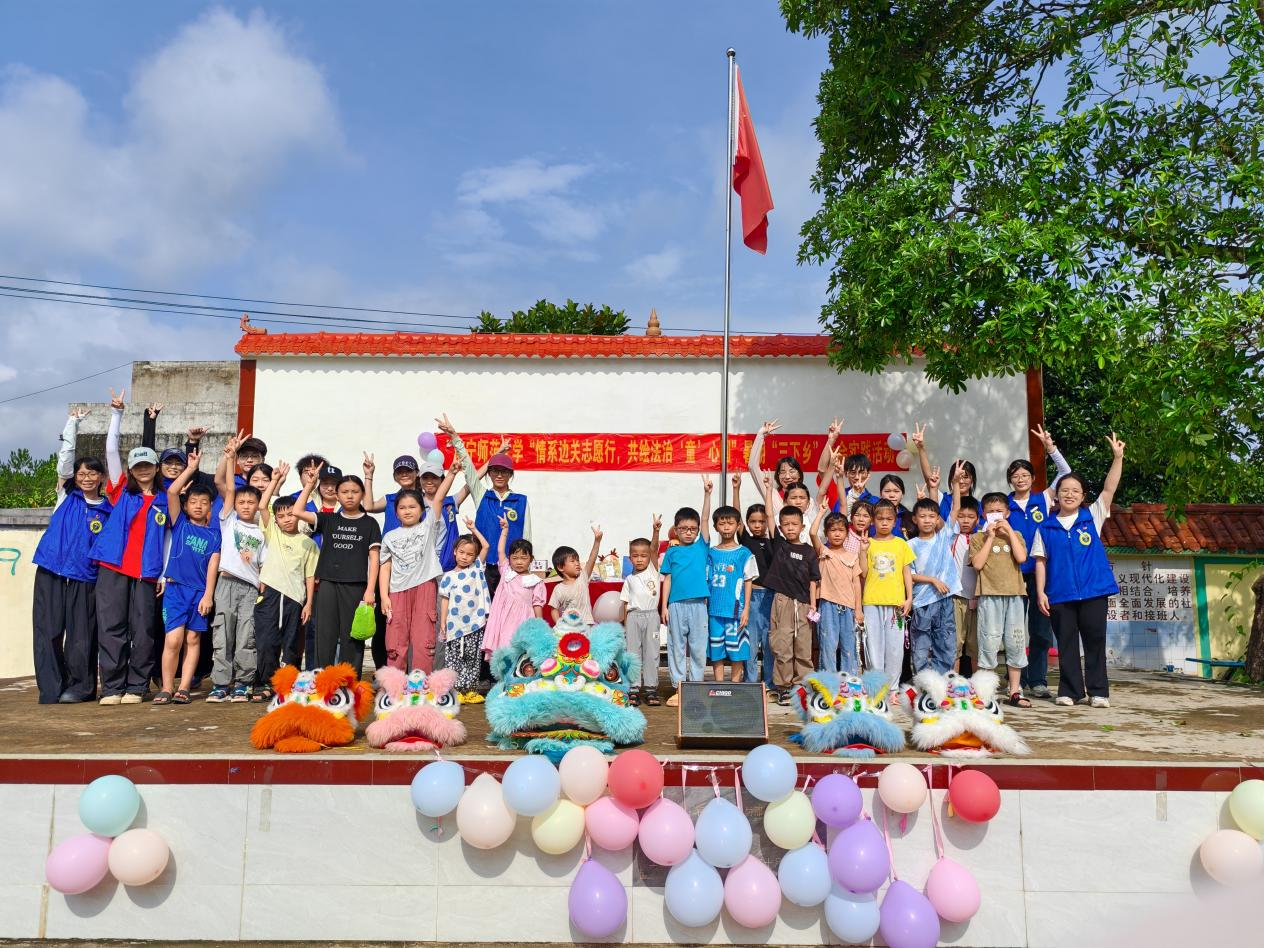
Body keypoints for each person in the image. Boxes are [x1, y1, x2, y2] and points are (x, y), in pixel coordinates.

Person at [1035, 435, 1126, 709]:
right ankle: (1070, 691)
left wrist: (1118, 458)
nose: (1070, 494)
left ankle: (1098, 692)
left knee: (1095, 641)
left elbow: (1109, 489)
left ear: (1083, 496)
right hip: (1060, 593)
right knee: (1066, 643)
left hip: (1094, 591)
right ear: (1057, 494)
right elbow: (1040, 561)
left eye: (1075, 490)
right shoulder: (1046, 527)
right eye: (1065, 490)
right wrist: (1040, 592)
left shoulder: (1092, 516)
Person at [90, 388, 168, 705]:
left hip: (147, 572)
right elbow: (111, 451)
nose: (143, 469)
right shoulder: (121, 491)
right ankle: (112, 687)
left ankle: (137, 686)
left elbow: (168, 539)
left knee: (144, 629)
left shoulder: (165, 499)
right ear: (131, 470)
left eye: (148, 464)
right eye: (138, 466)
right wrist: (117, 413)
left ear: (156, 467)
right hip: (114, 567)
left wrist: (163, 574)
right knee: (112, 627)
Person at [31, 409, 111, 704]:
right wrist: (73, 424)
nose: (86, 478)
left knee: (82, 635)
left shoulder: (108, 510)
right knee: (48, 631)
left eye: (92, 473)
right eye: (81, 474)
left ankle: (81, 687)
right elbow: (64, 460)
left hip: (85, 577)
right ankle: (51, 687)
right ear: (74, 477)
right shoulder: (66, 494)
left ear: (101, 477)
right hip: (51, 570)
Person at [293, 468, 382, 677]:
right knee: (325, 634)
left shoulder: (370, 523)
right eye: (344, 491)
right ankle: (324, 679)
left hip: (356, 585)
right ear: (337, 495)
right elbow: (297, 511)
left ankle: (349, 681)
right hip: (328, 583)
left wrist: (370, 590)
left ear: (362, 494)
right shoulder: (329, 519)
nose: (349, 496)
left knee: (352, 636)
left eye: (355, 491)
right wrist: (310, 485)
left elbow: (374, 558)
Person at [1008, 424, 1073, 700]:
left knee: (1040, 629)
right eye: (1015, 476)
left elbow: (1066, 473)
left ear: (1033, 478)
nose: (1020, 479)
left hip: (1040, 573)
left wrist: (1051, 448)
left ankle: (1037, 679)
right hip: (1012, 573)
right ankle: (1017, 680)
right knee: (1014, 629)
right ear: (1010, 481)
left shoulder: (1043, 499)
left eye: (1025, 475)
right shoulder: (1004, 505)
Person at [378, 462, 460, 672]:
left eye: (412, 507)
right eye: (402, 508)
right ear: (396, 512)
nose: (407, 511)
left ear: (422, 510)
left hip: (425, 587)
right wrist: (384, 596)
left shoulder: (428, 527)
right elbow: (385, 567)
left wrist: (451, 474)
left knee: (424, 638)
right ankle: (395, 682)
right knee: (396, 639)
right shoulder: (389, 537)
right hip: (397, 591)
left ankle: (421, 681)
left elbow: (439, 499)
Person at [154, 451, 221, 705]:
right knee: (173, 640)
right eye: (193, 501)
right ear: (185, 505)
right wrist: (191, 469)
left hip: (199, 593)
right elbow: (172, 492)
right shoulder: (180, 523)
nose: (198, 506)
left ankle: (184, 687)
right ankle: (166, 687)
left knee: (193, 639)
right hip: (176, 590)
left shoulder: (214, 535)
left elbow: (213, 565)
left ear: (210, 507)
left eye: (204, 502)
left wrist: (208, 595)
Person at [438, 415, 528, 597]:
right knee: (484, 608)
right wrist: (454, 437)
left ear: (510, 474)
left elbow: (527, 536)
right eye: (495, 471)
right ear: (489, 473)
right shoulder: (481, 495)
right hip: (483, 566)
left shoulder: (521, 501)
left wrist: (526, 567)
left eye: (504, 472)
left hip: (510, 568)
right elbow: (469, 469)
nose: (499, 475)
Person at [252, 463, 318, 701]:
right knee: (267, 641)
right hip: (270, 595)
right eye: (280, 516)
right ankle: (265, 683)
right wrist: (274, 480)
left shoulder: (308, 543)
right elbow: (262, 506)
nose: (286, 519)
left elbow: (309, 575)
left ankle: (288, 684)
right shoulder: (274, 533)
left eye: (290, 514)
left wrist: (308, 603)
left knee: (291, 644)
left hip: (295, 599)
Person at [208, 436, 265, 702]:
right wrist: (231, 458)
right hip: (226, 584)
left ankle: (243, 682)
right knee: (222, 634)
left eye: (250, 503)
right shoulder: (228, 521)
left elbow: (263, 565)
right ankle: (220, 683)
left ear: (257, 505)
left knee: (246, 636)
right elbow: (229, 489)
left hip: (250, 589)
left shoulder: (262, 531)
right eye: (241, 502)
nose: (245, 506)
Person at [760, 474, 820, 704]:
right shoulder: (780, 545)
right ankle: (784, 687)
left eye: (795, 524)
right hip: (782, 601)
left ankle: (803, 686)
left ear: (802, 526)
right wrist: (768, 489)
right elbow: (769, 515)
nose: (790, 528)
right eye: (786, 524)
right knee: (782, 645)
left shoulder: (809, 551)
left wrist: (813, 605)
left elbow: (813, 580)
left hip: (804, 604)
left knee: (803, 647)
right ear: (781, 527)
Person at [970, 492, 1030, 707]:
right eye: (990, 512)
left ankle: (1015, 691)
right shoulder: (977, 538)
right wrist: (990, 537)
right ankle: (986, 692)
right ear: (983, 515)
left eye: (999, 511)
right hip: (989, 596)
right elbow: (977, 564)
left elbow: (1022, 557)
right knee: (989, 642)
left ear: (1007, 513)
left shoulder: (1016, 535)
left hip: (1015, 595)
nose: (995, 515)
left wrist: (1009, 532)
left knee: (1016, 642)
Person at [659, 477, 714, 707]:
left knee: (699, 648)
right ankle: (679, 686)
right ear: (676, 530)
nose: (689, 532)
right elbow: (667, 579)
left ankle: (697, 685)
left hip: (699, 604)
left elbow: (705, 519)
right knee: (676, 647)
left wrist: (707, 494)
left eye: (692, 529)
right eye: (684, 529)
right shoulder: (672, 552)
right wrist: (664, 606)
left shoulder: (702, 546)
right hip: (676, 605)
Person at [907, 464, 965, 675]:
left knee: (946, 642)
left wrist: (955, 483)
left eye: (932, 516)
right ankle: (923, 681)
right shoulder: (910, 545)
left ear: (937, 519)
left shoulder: (943, 537)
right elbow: (909, 574)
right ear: (915, 519)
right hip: (922, 602)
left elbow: (955, 509)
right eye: (922, 516)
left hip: (944, 600)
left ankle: (942, 680)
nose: (927, 520)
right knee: (921, 645)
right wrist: (932, 580)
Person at [438, 517, 495, 702]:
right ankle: (455, 691)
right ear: (455, 551)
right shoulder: (448, 577)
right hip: (454, 624)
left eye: (469, 554)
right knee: (454, 658)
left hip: (475, 623)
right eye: (461, 552)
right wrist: (443, 622)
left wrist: (473, 529)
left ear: (474, 556)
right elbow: (445, 600)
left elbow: (486, 546)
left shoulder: (476, 568)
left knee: (472, 657)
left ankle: (470, 690)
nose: (464, 557)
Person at [861, 499, 915, 691]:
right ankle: (876, 686)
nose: (884, 522)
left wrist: (909, 598)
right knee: (873, 646)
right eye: (880, 519)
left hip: (896, 604)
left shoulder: (901, 544)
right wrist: (862, 552)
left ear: (895, 522)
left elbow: (907, 573)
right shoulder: (868, 543)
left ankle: (892, 688)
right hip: (871, 602)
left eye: (889, 519)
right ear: (873, 521)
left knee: (895, 648)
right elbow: (864, 573)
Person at [706, 504, 757, 685]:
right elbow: (707, 580)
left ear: (738, 525)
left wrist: (746, 609)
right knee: (716, 651)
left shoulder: (744, 553)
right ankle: (719, 685)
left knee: (738, 651)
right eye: (722, 524)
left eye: (730, 523)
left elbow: (748, 581)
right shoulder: (711, 553)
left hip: (735, 611)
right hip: (714, 611)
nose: (726, 527)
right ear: (715, 527)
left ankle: (735, 686)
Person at [733, 475, 774, 689]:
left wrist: (768, 491)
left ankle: (769, 683)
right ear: (747, 523)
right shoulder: (746, 540)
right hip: (752, 598)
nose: (757, 525)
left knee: (769, 643)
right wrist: (736, 489)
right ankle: (750, 682)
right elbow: (736, 517)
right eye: (753, 522)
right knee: (750, 642)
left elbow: (771, 514)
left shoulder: (774, 541)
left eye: (761, 521)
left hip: (770, 597)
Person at [812, 506, 863, 675]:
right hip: (827, 605)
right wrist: (821, 513)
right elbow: (812, 533)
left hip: (848, 607)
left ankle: (850, 679)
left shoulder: (853, 556)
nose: (837, 534)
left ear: (847, 534)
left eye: (841, 530)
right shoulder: (823, 552)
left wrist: (858, 609)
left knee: (849, 646)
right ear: (826, 533)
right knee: (828, 644)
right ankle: (829, 681)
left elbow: (856, 584)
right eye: (832, 530)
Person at [483, 521, 546, 655]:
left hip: (524, 620)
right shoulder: (506, 572)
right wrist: (505, 530)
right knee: (504, 650)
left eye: (524, 558)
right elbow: (500, 551)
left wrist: (539, 625)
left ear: (531, 559)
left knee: (521, 652)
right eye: (515, 558)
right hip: (504, 621)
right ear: (510, 559)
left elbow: (537, 604)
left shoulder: (535, 581)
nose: (519, 562)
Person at [619, 515, 663, 707]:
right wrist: (625, 624)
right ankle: (634, 688)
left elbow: (653, 549)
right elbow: (625, 604)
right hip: (633, 617)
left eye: (643, 555)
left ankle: (651, 689)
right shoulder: (629, 579)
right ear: (630, 558)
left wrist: (655, 531)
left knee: (652, 652)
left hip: (651, 615)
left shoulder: (653, 570)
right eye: (635, 556)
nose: (639, 559)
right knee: (633, 653)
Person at [911, 423, 977, 524]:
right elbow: (929, 479)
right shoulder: (943, 499)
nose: (961, 481)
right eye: (958, 477)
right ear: (951, 479)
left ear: (972, 480)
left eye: (965, 477)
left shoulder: (978, 505)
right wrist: (921, 448)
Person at [949, 496, 981, 674]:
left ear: (978, 519)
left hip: (978, 598)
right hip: (956, 598)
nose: (966, 521)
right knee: (955, 644)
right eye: (961, 516)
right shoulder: (950, 538)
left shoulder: (982, 538)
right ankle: (953, 682)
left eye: (971, 517)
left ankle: (978, 683)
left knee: (976, 644)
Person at [549, 525, 604, 624]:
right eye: (572, 561)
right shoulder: (558, 589)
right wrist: (559, 625)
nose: (577, 563)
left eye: (577, 560)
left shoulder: (582, 578)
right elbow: (553, 609)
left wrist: (597, 541)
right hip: (570, 627)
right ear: (560, 567)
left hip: (587, 625)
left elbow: (592, 559)